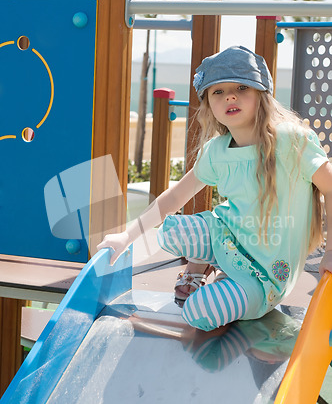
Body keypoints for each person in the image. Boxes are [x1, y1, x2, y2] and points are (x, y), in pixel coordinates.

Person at [98, 45, 332, 332]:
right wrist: (126, 236)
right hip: (228, 235)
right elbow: (173, 198)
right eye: (217, 92)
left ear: (262, 95)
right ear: (209, 104)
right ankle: (208, 265)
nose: (230, 96)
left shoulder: (289, 141)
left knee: (199, 313)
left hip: (265, 274)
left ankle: (224, 275)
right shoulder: (218, 151)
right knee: (170, 231)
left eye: (242, 87)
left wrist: (330, 250)